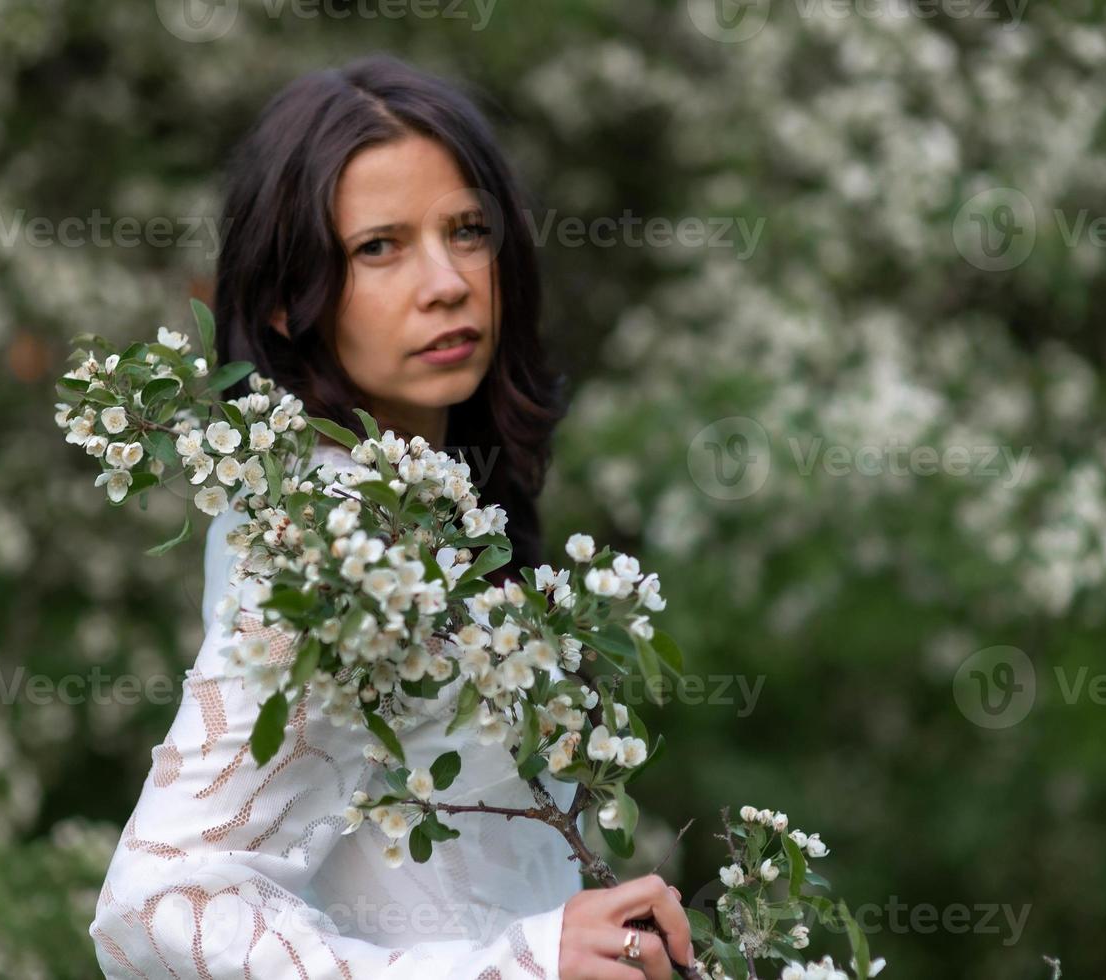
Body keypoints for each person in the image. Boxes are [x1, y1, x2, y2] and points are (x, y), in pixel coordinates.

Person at [89, 53, 693, 979]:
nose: (446, 281)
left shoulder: (427, 497)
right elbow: (160, 903)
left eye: (468, 230)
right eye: (381, 247)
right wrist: (520, 965)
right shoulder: (326, 534)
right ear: (289, 302)